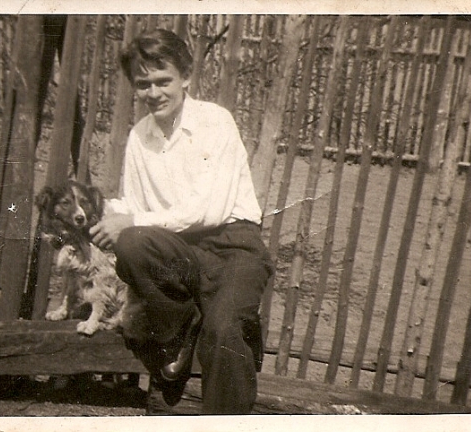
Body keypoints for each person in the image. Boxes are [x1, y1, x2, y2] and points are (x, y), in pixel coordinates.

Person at [89, 28, 273, 415]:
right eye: (143, 84)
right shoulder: (139, 137)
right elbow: (136, 211)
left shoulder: (215, 122)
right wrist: (102, 218)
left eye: (163, 81)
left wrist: (130, 219)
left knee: (223, 331)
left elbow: (207, 210)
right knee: (132, 242)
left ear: (186, 77)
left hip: (233, 246)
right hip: (180, 250)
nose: (153, 92)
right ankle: (181, 326)